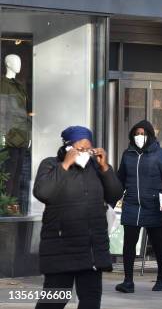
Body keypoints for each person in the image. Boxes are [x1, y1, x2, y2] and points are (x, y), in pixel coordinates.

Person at [33, 126, 123, 309]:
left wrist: (105, 167)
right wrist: (65, 165)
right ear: (68, 147)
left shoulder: (96, 168)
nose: (84, 153)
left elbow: (114, 194)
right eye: (79, 148)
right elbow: (43, 192)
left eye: (88, 149)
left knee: (91, 300)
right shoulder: (50, 165)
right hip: (61, 249)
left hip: (91, 250)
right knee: (53, 301)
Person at [115, 120, 162, 293]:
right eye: (136, 133)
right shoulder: (128, 154)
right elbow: (120, 179)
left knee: (158, 243)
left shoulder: (160, 154)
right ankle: (128, 281)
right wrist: (113, 199)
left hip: (153, 205)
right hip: (132, 204)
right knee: (129, 244)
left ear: (149, 135)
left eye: (143, 133)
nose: (139, 137)